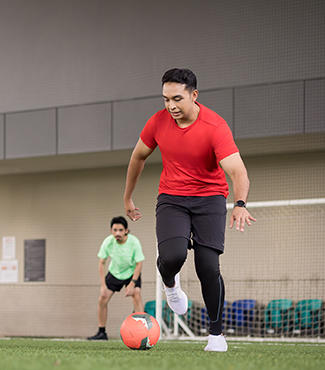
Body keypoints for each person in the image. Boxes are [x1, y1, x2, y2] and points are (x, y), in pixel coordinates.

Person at [123, 68, 255, 352]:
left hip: (210, 199)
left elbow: (238, 171)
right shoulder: (157, 122)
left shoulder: (215, 126)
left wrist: (240, 204)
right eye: (165, 99)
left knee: (208, 266)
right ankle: (171, 285)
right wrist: (128, 197)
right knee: (172, 256)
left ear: (194, 95)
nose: (170, 106)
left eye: (177, 99)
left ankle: (216, 335)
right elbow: (138, 156)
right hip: (172, 198)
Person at [86, 216, 144, 341]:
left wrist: (132, 284)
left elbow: (139, 263)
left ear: (126, 230)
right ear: (111, 230)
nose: (117, 233)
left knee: (137, 296)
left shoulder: (134, 242)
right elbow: (101, 263)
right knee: (102, 299)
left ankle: (140, 332)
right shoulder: (108, 242)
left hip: (131, 273)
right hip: (114, 273)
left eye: (121, 230)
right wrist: (103, 286)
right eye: (115, 230)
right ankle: (102, 333)